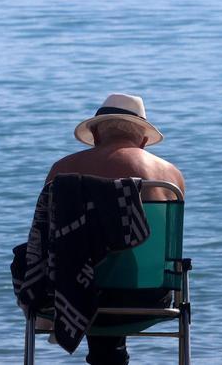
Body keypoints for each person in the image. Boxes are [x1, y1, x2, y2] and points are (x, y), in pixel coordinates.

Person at [45, 93, 186, 365]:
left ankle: (107, 356)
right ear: (144, 140)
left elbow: (51, 236)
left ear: (96, 134)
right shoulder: (171, 176)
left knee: (87, 262)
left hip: (72, 296)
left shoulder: (62, 171)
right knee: (119, 262)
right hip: (149, 296)